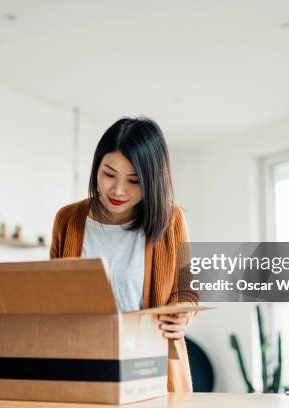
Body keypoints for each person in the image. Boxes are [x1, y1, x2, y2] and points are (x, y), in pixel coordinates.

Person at [49, 117, 198, 392]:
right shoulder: (68, 220)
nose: (118, 190)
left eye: (134, 180)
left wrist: (182, 316)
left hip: (151, 370)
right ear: (96, 168)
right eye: (108, 174)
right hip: (82, 367)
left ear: (153, 181)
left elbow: (188, 292)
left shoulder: (171, 220)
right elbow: (54, 294)